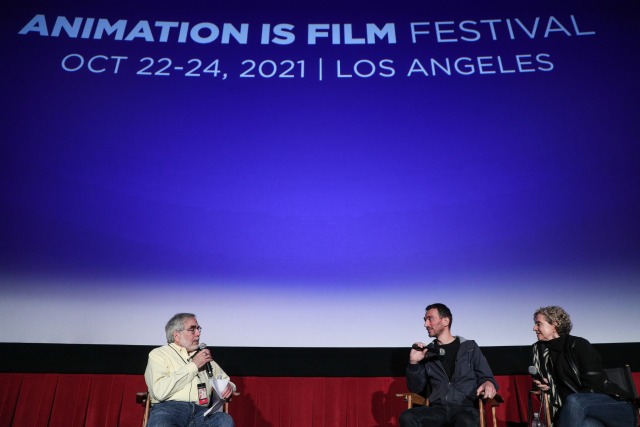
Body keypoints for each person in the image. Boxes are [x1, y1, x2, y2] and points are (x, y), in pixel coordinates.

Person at [531, 306, 637, 427]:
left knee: (575, 401)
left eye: (538, 324)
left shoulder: (578, 345)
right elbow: (547, 387)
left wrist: (570, 406)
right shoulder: (539, 350)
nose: (534, 328)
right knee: (586, 424)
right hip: (580, 414)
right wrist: (542, 386)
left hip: (612, 407)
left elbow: (594, 386)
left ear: (554, 325)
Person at [400, 303, 499, 427]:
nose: (425, 324)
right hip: (437, 409)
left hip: (465, 408)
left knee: (465, 421)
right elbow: (416, 389)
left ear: (445, 321)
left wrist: (488, 384)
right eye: (425, 320)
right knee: (408, 417)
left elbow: (487, 377)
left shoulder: (469, 347)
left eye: (430, 319)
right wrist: (414, 363)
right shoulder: (427, 352)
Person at [144, 313, 236, 427]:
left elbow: (225, 380)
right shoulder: (159, 355)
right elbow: (159, 392)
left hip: (201, 412)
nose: (198, 334)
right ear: (176, 335)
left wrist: (229, 386)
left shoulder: (203, 357)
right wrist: (194, 365)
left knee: (224, 420)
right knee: (160, 424)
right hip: (169, 410)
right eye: (192, 330)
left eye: (198, 329)